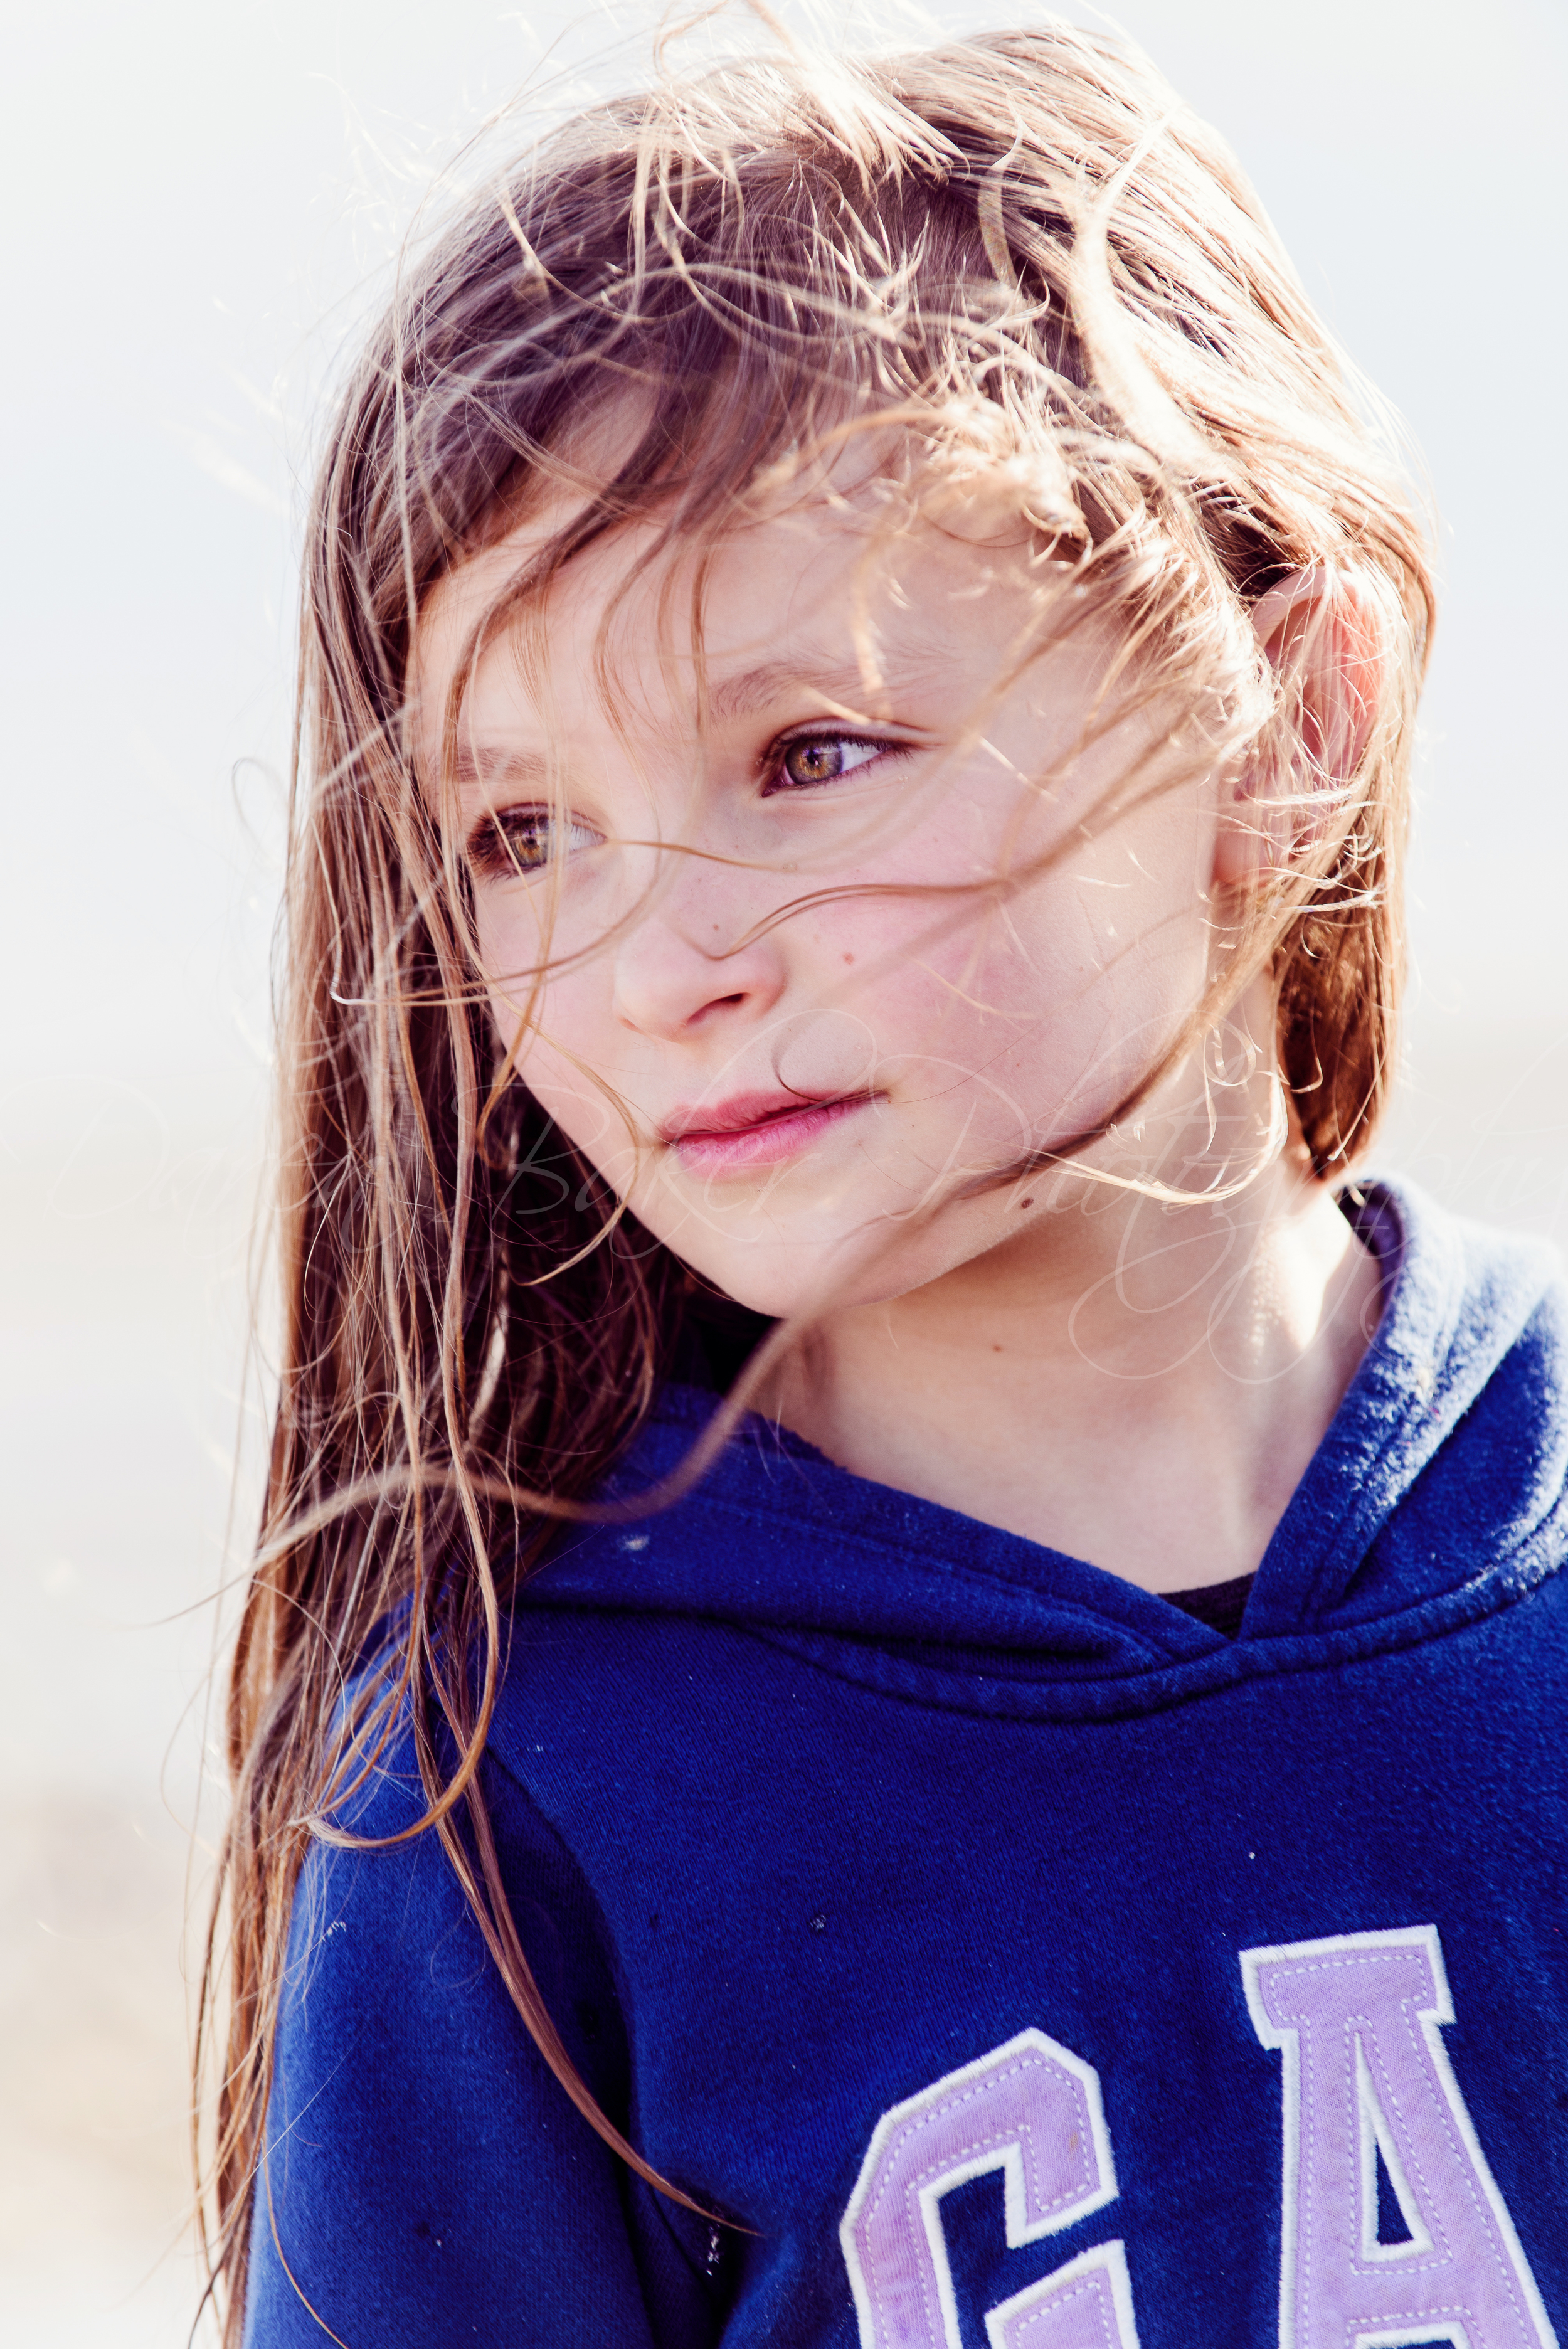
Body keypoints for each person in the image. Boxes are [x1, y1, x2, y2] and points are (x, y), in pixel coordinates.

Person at [206, 14, 1568, 2346]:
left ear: (1295, 715)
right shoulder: (524, 1776)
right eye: (519, 832)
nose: (657, 967)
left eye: (812, 751)